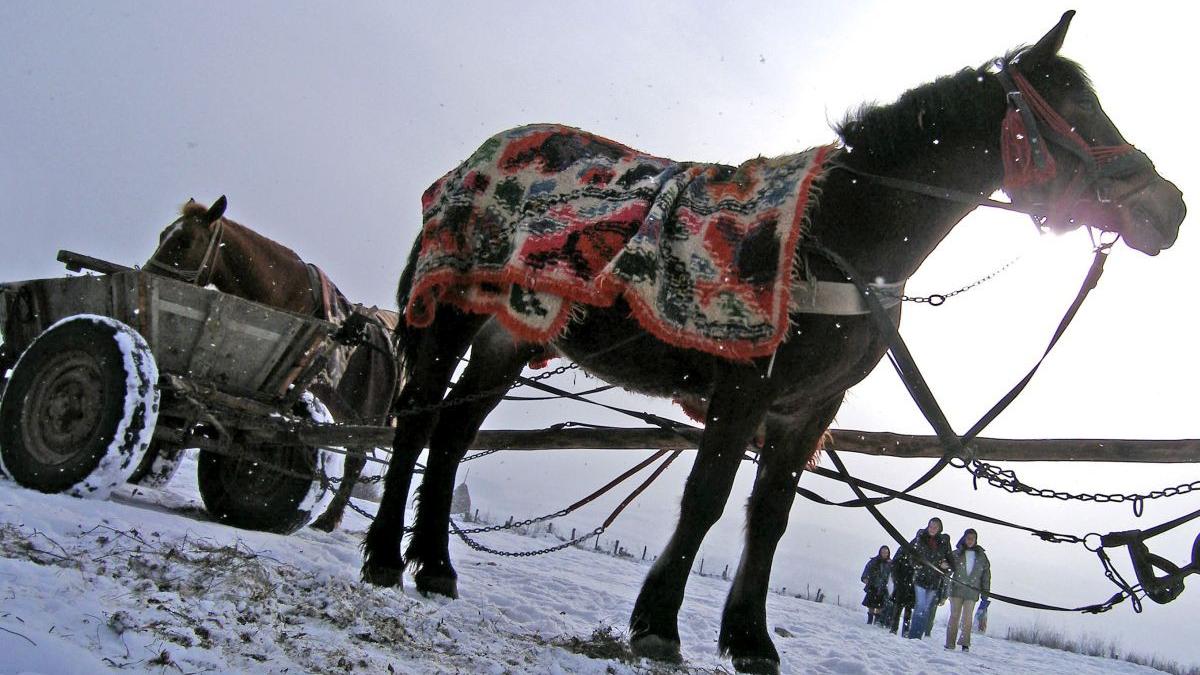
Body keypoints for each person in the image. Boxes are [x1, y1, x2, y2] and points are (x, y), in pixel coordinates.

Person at [905, 517, 955, 639]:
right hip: (920, 578)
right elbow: (911, 553)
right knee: (920, 606)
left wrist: (946, 567)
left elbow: (951, 562)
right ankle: (913, 636)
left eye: (935, 527)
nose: (932, 529)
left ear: (939, 529)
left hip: (934, 581)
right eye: (931, 526)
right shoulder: (921, 537)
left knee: (926, 609)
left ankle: (918, 635)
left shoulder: (943, 542)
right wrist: (915, 564)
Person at [945, 528, 991, 652]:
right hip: (956, 590)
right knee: (954, 616)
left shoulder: (981, 556)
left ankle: (965, 643)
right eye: (968, 538)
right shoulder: (956, 553)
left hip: (972, 592)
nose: (970, 541)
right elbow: (947, 568)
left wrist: (985, 593)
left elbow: (986, 575)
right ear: (964, 539)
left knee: (967, 618)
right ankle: (949, 643)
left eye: (972, 538)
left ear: (976, 540)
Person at [860, 545, 893, 624]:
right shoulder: (874, 561)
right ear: (880, 552)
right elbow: (867, 569)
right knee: (871, 604)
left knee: (880, 605)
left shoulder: (890, 563)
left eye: (886, 552)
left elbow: (893, 575)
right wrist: (865, 578)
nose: (884, 554)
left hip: (883, 587)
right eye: (883, 552)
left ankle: (877, 621)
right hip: (873, 585)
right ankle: (870, 620)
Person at [886, 548, 915, 635]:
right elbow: (895, 570)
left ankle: (903, 630)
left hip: (908, 588)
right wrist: (898, 582)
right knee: (898, 610)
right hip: (902, 587)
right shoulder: (903, 555)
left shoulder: (912, 555)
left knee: (906, 611)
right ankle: (895, 629)